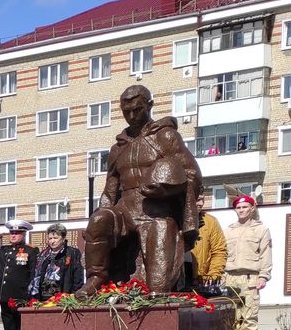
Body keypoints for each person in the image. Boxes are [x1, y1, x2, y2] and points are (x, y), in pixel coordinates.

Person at [83, 84, 202, 293]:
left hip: (158, 212)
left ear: (149, 105)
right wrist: (100, 215)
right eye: (126, 111)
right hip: (125, 209)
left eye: (137, 109)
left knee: (158, 286)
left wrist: (168, 189)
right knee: (99, 220)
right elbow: (110, 190)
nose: (131, 115)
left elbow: (192, 173)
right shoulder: (118, 148)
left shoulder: (165, 137)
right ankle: (96, 277)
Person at [223, 194, 271, 330]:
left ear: (252, 209)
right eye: (238, 207)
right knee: (232, 314)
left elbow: (266, 254)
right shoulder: (229, 230)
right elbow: (223, 255)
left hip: (250, 277)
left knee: (249, 313)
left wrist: (264, 276)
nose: (241, 210)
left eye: (244, 207)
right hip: (230, 277)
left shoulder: (261, 230)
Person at [187, 192, 229, 295]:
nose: (201, 203)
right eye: (197, 199)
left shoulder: (210, 222)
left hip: (202, 283)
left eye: (203, 200)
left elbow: (219, 251)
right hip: (177, 284)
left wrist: (213, 276)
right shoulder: (173, 221)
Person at [30, 226, 84, 301]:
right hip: (43, 298)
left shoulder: (72, 253)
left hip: (63, 298)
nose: (52, 241)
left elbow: (78, 277)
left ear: (63, 238)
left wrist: (74, 296)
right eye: (50, 238)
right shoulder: (43, 255)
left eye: (55, 238)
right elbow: (36, 276)